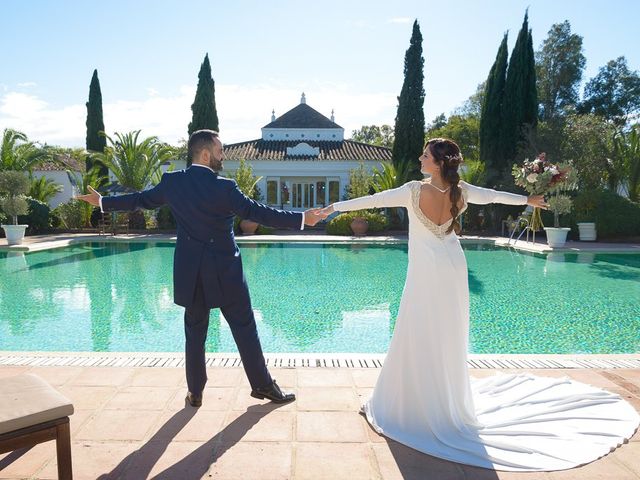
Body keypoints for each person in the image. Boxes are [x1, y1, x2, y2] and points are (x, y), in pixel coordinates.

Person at [317, 138, 639, 471]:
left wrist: (332, 208)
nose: (420, 158)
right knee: (447, 333)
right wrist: (527, 199)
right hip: (453, 267)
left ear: (439, 162)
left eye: (425, 155)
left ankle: (412, 403)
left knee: (418, 329)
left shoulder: (414, 190)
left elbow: (372, 200)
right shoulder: (462, 190)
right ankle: (443, 399)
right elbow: (493, 195)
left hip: (426, 271)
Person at [77, 129, 324, 407]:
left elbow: (141, 200)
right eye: (219, 152)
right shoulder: (224, 188)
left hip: (191, 272)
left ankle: (195, 392)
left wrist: (102, 202)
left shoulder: (173, 183)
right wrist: (303, 218)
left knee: (195, 333)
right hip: (226, 272)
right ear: (205, 154)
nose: (222, 157)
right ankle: (263, 386)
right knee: (244, 328)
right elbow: (259, 212)